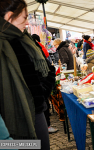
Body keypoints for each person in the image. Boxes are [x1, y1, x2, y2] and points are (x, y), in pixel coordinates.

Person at [0, 0, 55, 149]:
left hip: (37, 110)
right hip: (12, 118)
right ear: (10, 16)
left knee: (41, 146)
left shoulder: (24, 38)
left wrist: (42, 91)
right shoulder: (5, 43)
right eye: (24, 18)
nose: (27, 23)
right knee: (25, 146)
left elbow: (43, 68)